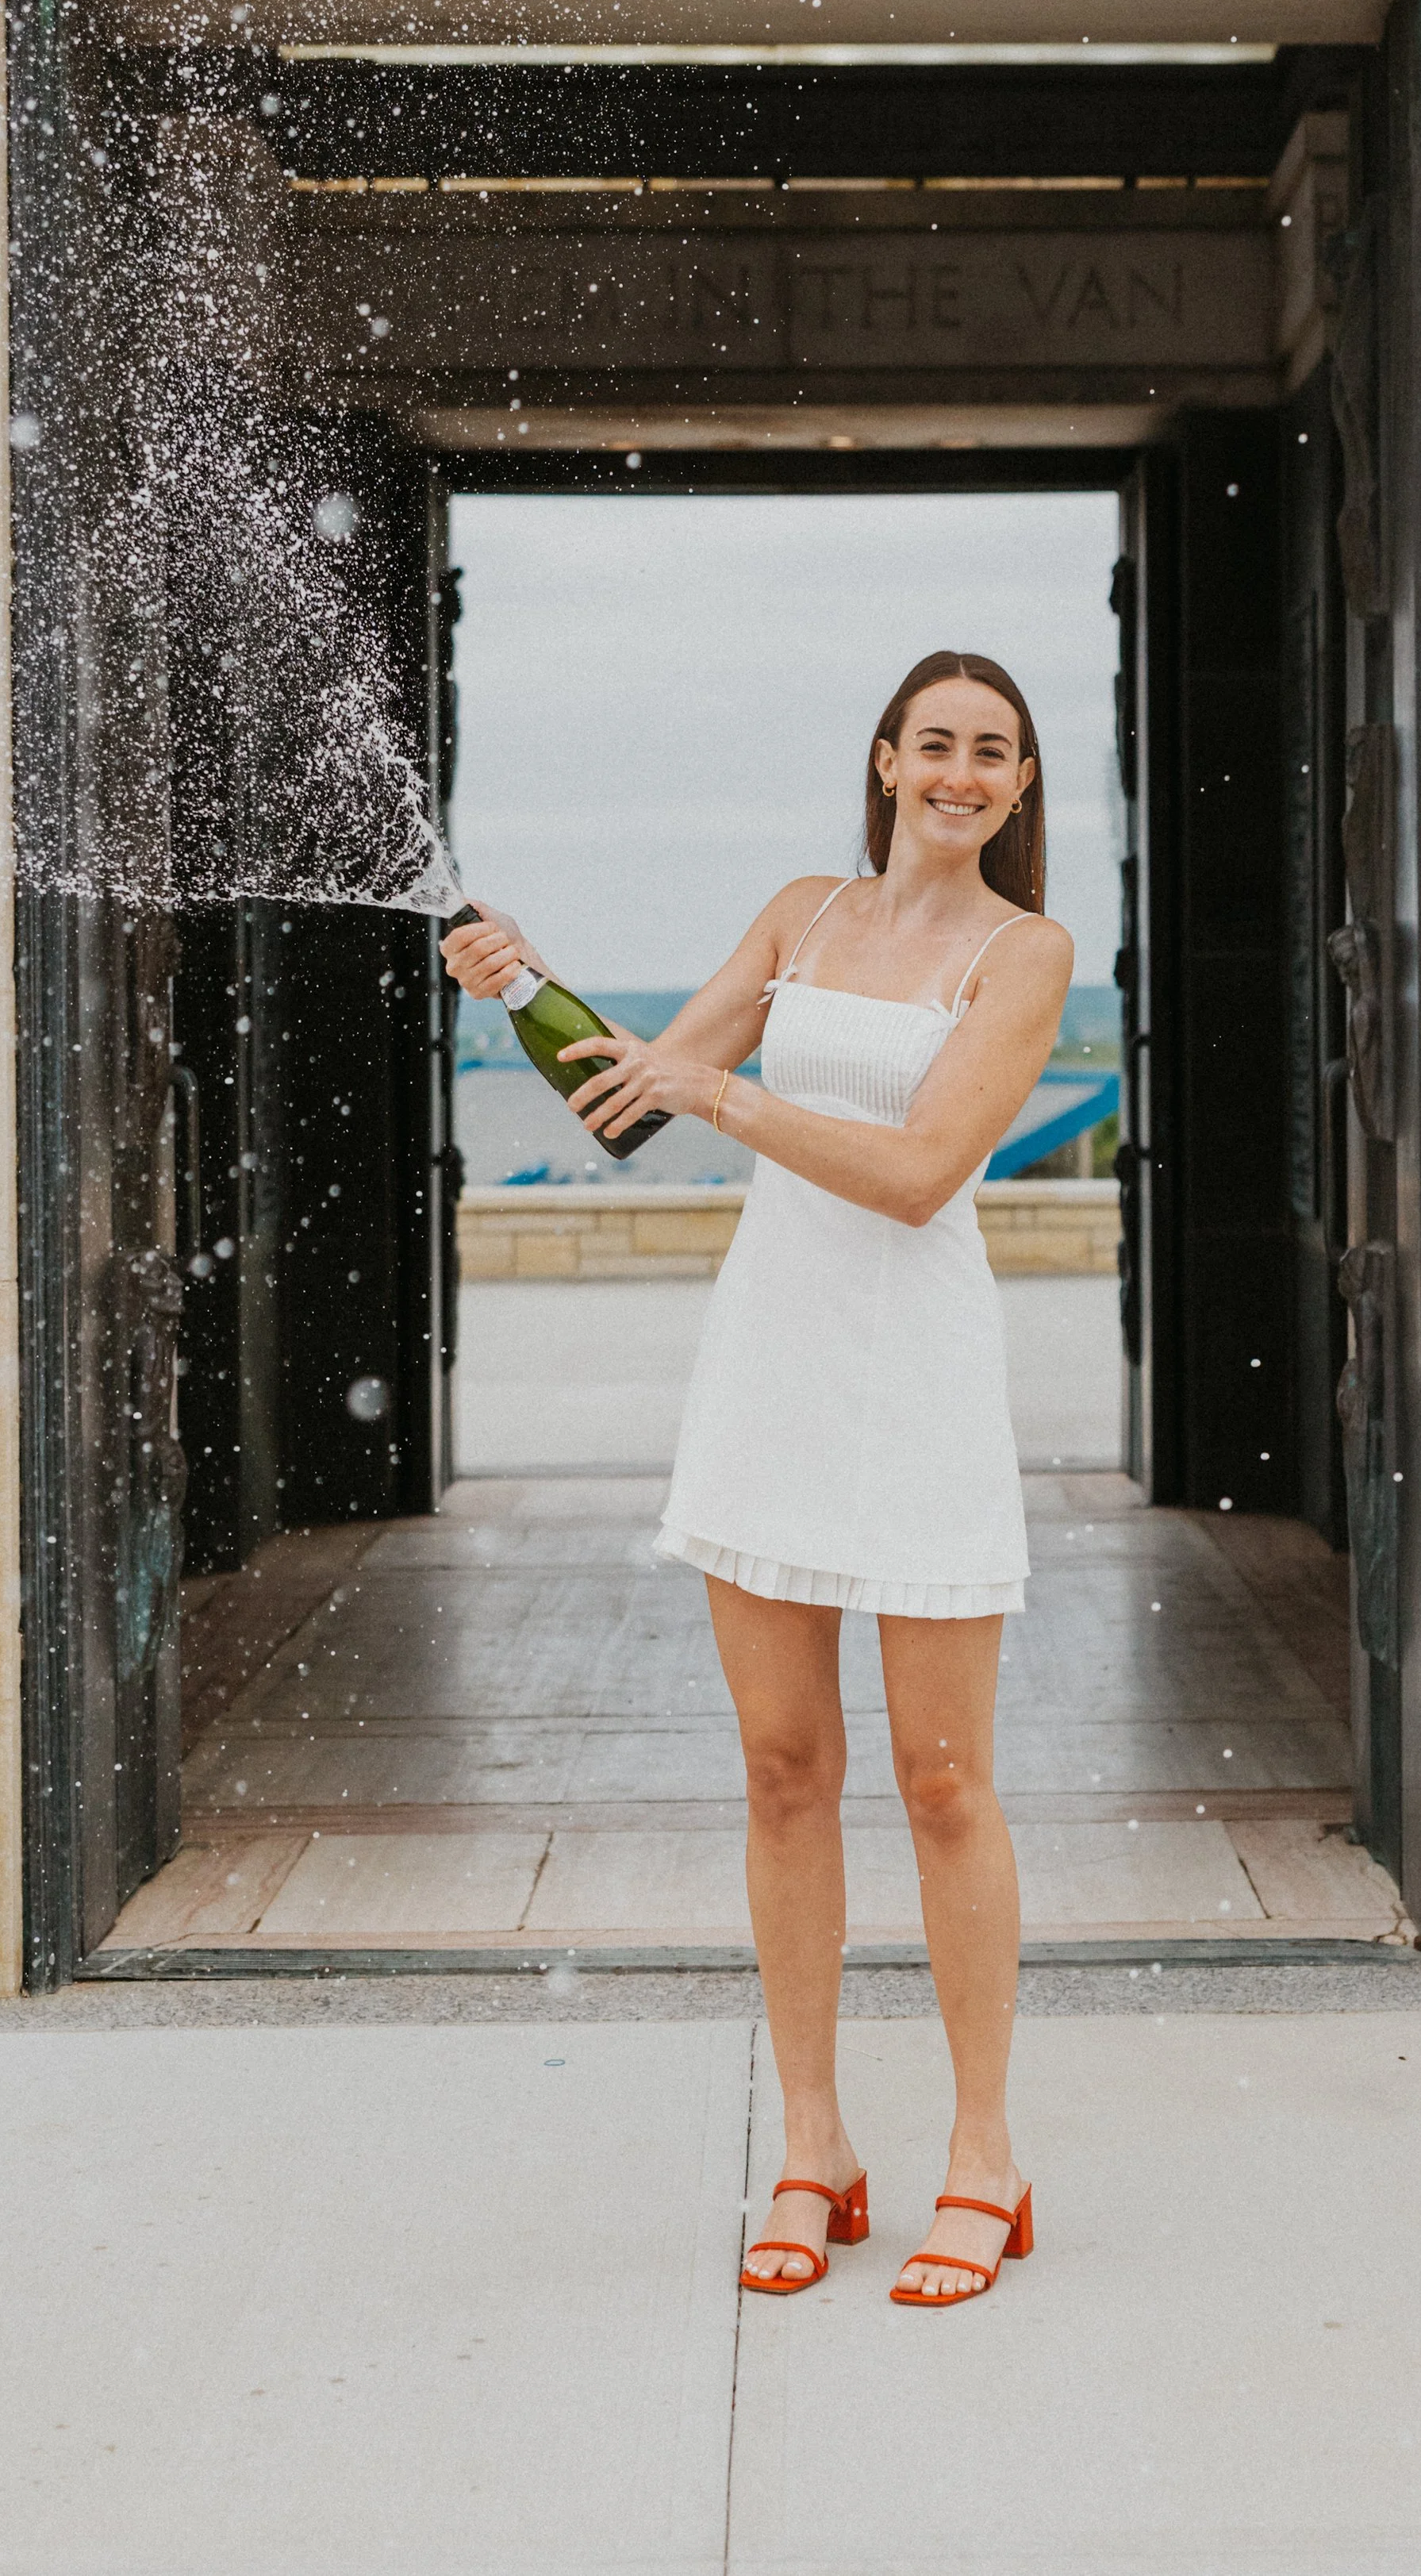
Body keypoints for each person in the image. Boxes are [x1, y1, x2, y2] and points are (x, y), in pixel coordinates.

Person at [444, 651, 1073, 2309]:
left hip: (918, 1381)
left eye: (989, 751)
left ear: (1017, 786)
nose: (957, 771)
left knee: (944, 1785)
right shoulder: (799, 910)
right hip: (771, 1366)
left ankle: (982, 2155)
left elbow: (924, 1173)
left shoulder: (1028, 953)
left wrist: (730, 1089)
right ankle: (814, 2145)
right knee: (785, 1768)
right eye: (931, 742)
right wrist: (519, 988)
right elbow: (623, 1103)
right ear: (883, 759)